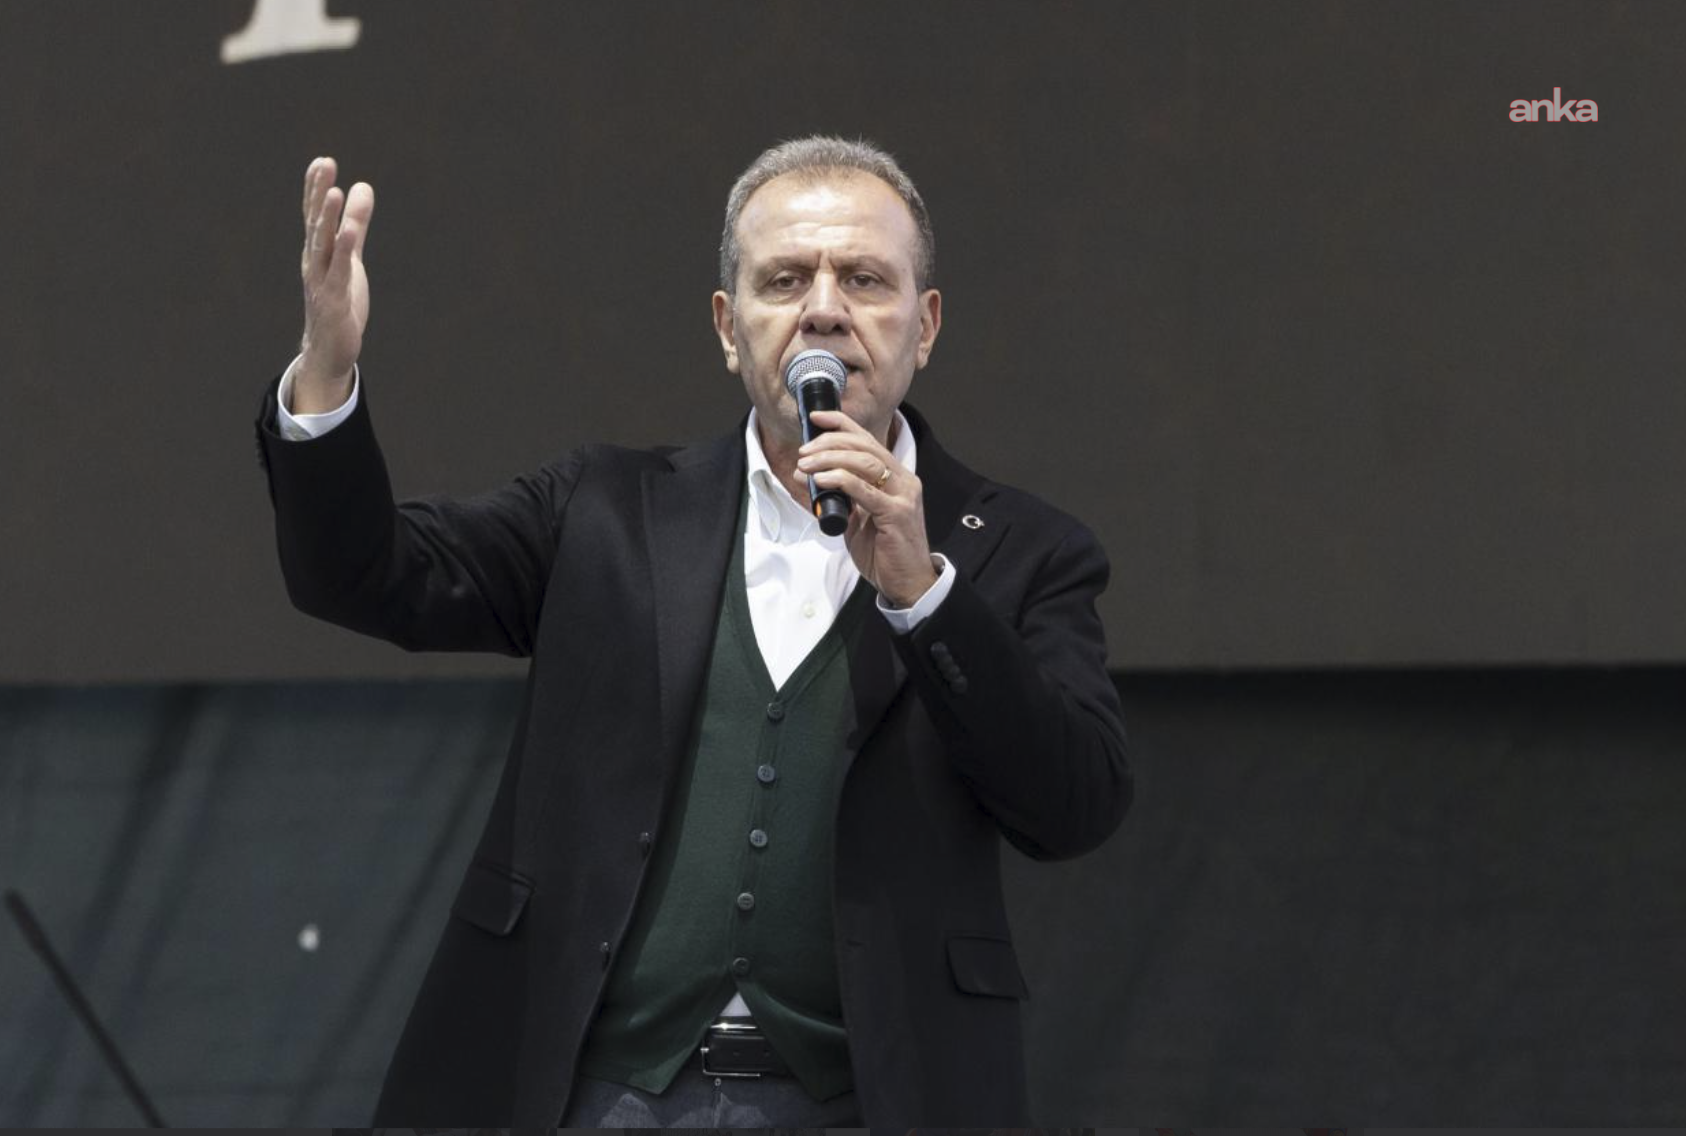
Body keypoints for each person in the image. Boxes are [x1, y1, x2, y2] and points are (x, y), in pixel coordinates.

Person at [256, 136, 1131, 1127]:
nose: (824, 309)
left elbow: (1075, 806)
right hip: (601, 1090)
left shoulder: (1021, 550)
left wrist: (924, 594)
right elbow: (364, 576)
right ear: (727, 326)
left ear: (924, 325)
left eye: (864, 279)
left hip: (871, 1099)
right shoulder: (605, 509)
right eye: (785, 279)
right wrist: (326, 375)